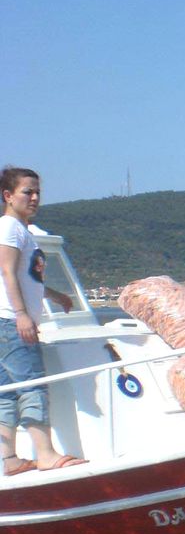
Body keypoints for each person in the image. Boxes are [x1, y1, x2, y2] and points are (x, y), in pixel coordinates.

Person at [0, 166, 86, 474]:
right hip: (10, 322)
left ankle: (9, 459)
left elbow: (25, 277)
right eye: (27, 192)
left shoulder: (20, 230)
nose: (35, 197)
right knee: (34, 384)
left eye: (37, 192)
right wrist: (23, 315)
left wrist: (54, 295)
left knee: (8, 391)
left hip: (5, 322)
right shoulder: (10, 227)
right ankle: (46, 453)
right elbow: (7, 271)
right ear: (8, 196)